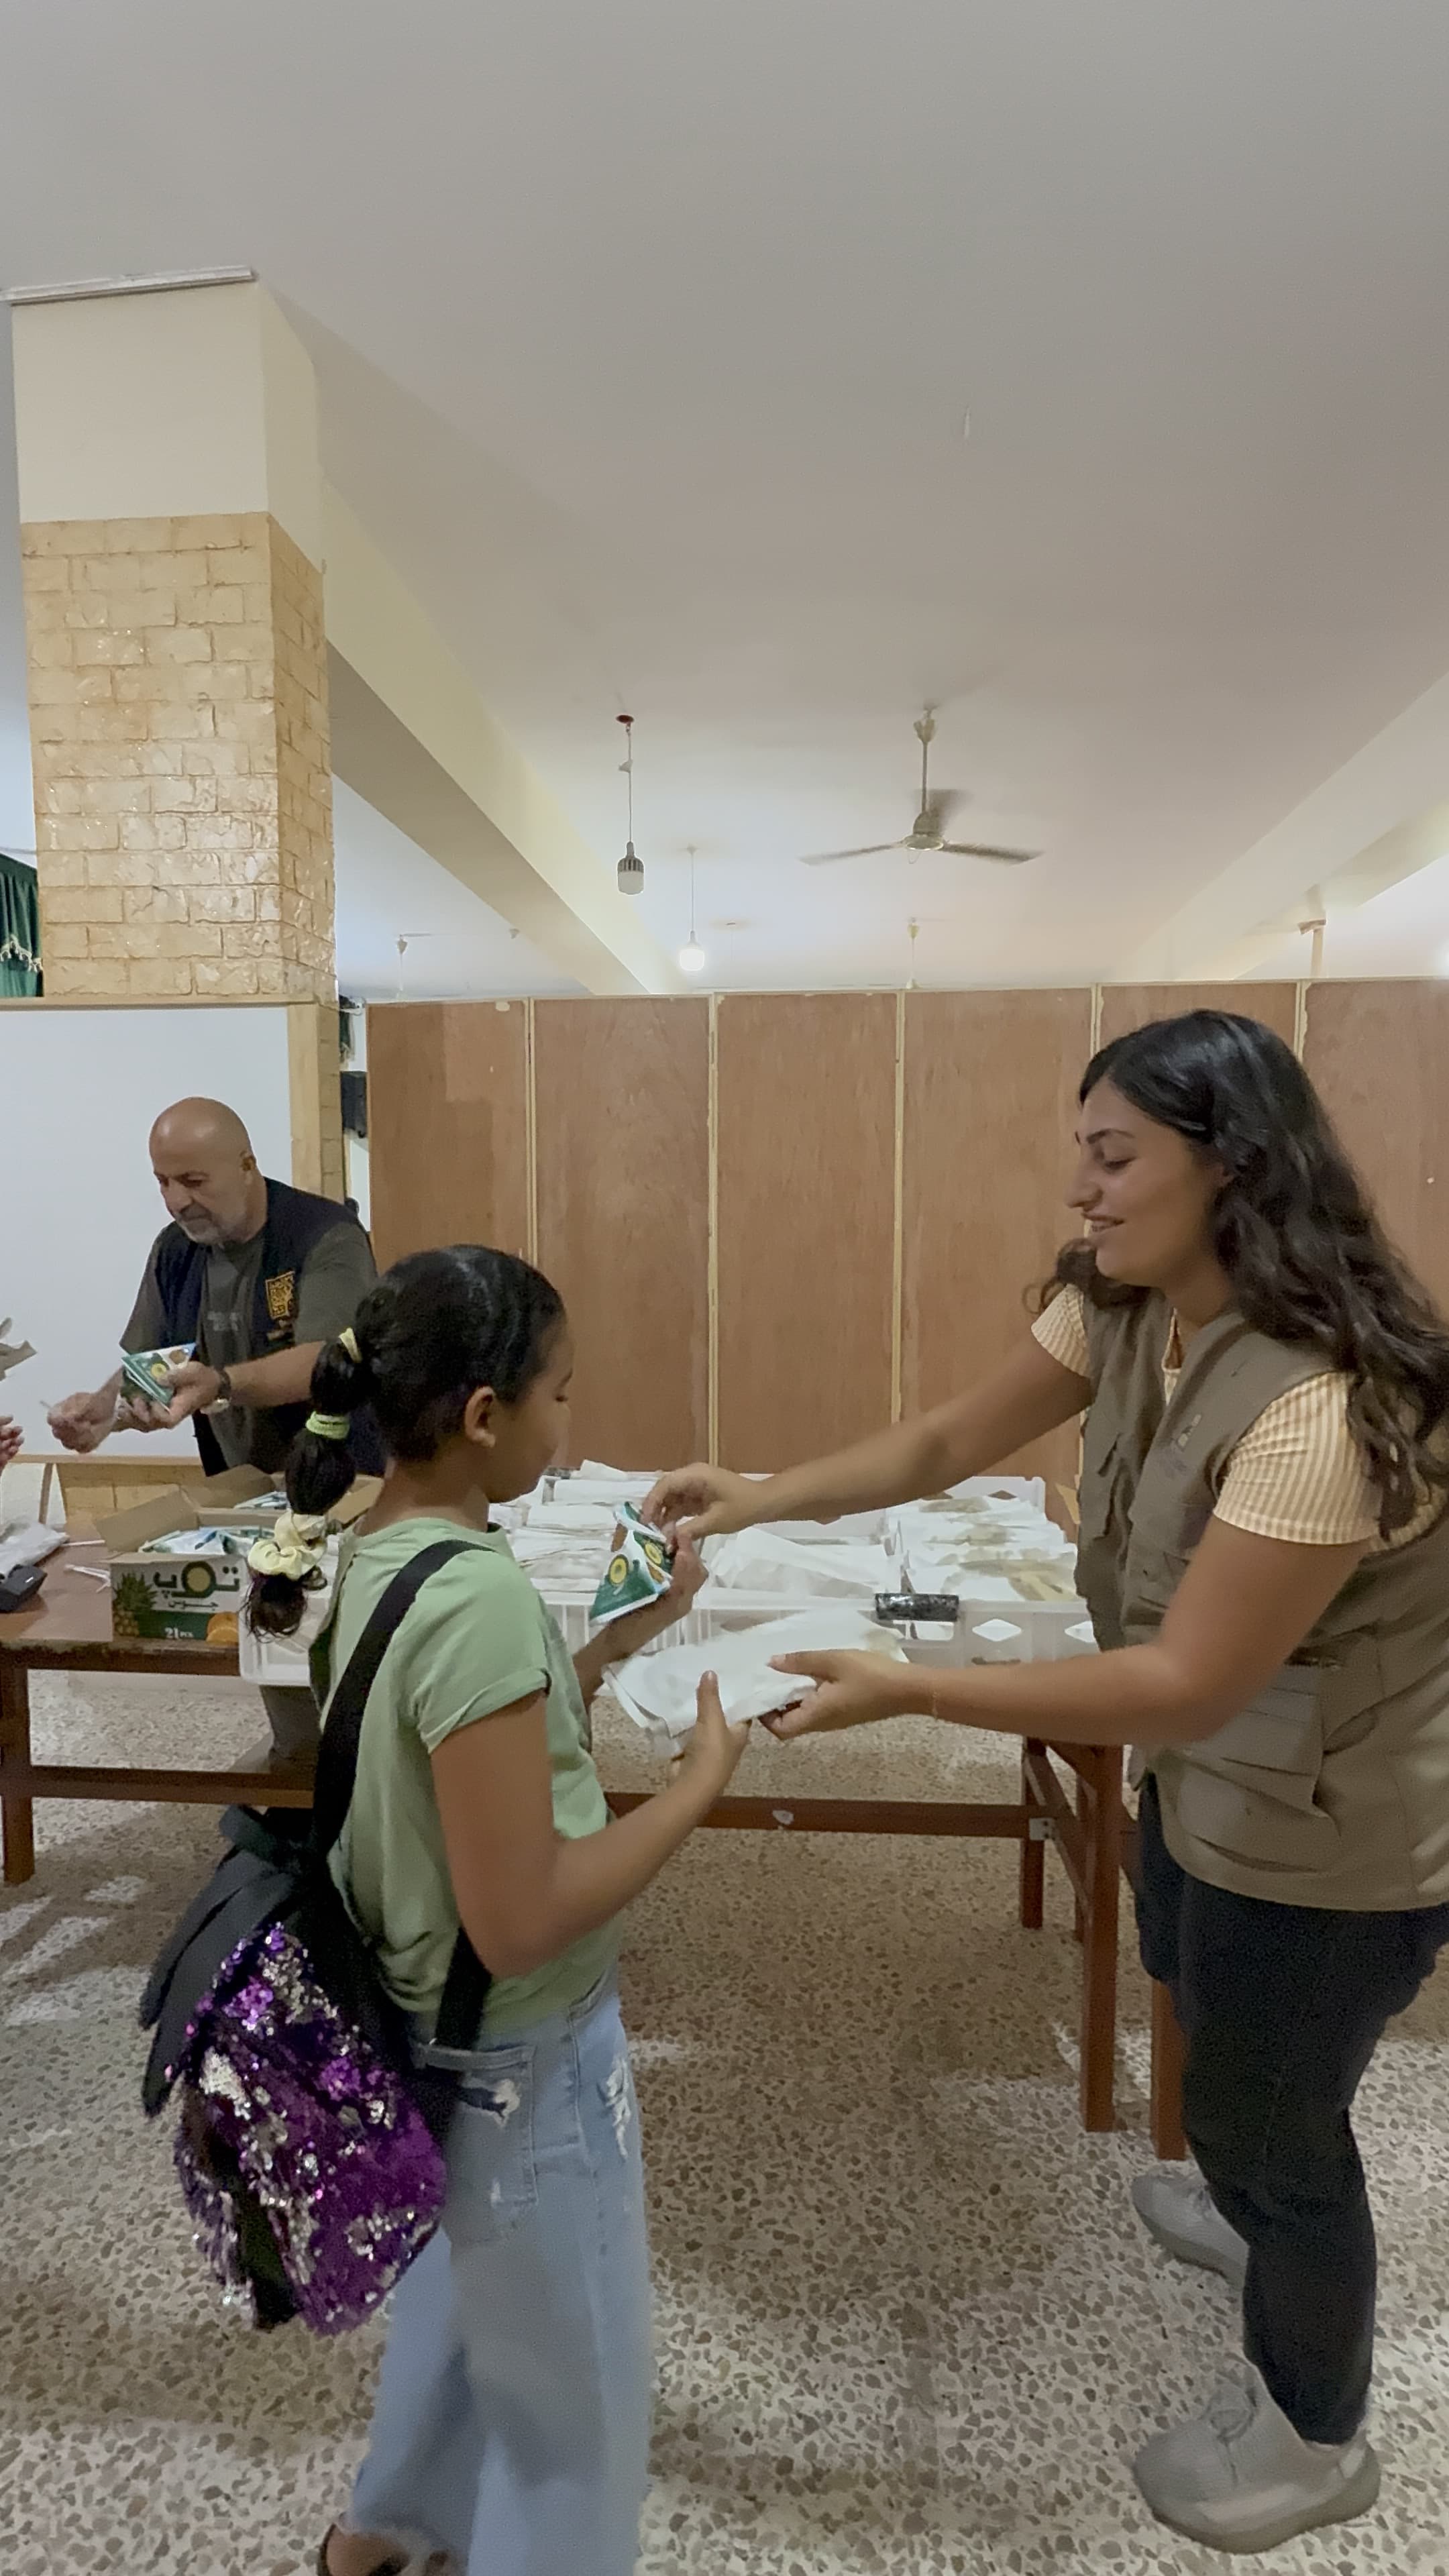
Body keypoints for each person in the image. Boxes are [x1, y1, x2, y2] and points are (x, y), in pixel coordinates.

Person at [646, 1010, 1449, 2555]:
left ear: (1233, 1166)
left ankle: (1315, 2434)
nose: (1080, 1190)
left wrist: (914, 1687)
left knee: (1279, 2121)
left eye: (1113, 1157)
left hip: (1340, 1836)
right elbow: (951, 1434)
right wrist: (759, 1496)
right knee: (1190, 1984)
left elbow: (1187, 1678)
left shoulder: (1325, 1404)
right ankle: (1237, 2197)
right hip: (1214, 1785)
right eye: (1080, 1154)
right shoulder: (1127, 1305)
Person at [248, 1244, 752, 2576]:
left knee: (468, 2300)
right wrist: (695, 1791)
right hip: (520, 2056)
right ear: (485, 1415)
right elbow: (522, 1919)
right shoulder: (477, 1599)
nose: (566, 1421)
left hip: (419, 2027)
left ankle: (388, 2528)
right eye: (560, 1395)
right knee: (575, 2398)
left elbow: (475, 1761)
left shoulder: (381, 1550)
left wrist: (616, 1639)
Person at [49, 1097, 379, 1767]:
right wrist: (101, 1416)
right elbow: (150, 1368)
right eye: (163, 1183)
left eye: (194, 1181)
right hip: (247, 1492)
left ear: (247, 1165)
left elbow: (325, 1359)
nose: (177, 1201)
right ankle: (300, 1782)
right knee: (276, 1646)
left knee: (354, 1656)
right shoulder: (175, 1252)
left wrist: (223, 1383)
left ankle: (367, 1790)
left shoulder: (325, 1236)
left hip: (349, 1480)